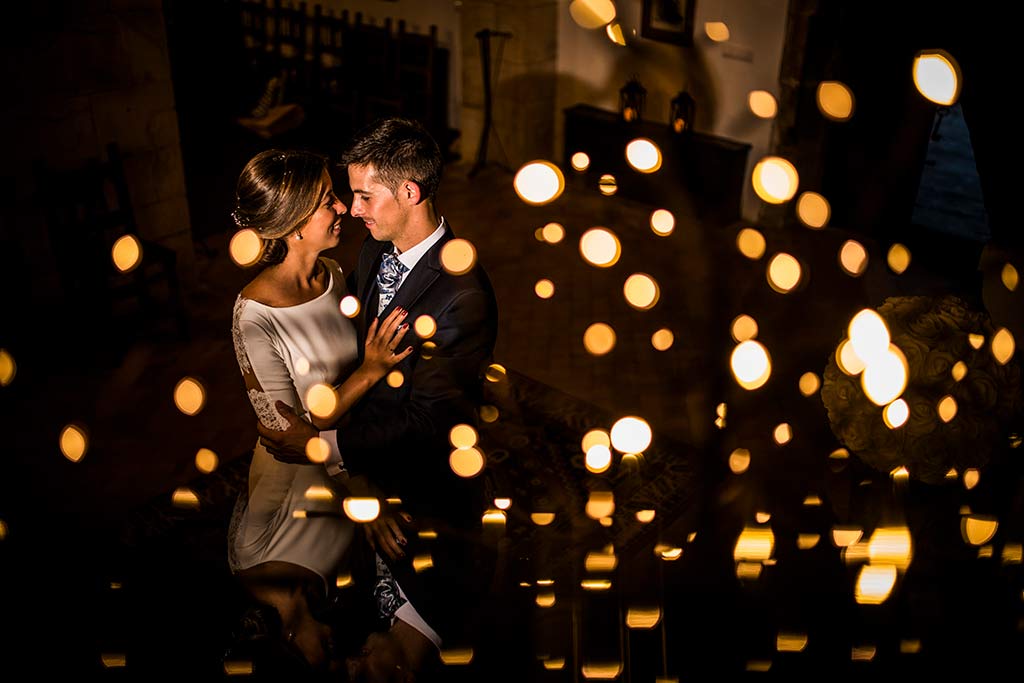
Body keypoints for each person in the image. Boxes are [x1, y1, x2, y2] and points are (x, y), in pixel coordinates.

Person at [256, 117, 500, 681]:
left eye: (364, 195)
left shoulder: (462, 297)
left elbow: (429, 422)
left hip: (426, 489)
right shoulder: (371, 252)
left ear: (409, 193)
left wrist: (325, 446)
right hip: (372, 480)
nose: (352, 208)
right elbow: (359, 368)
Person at [226, 148, 413, 676]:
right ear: (291, 225)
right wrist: (370, 372)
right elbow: (294, 435)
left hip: (319, 474)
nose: (344, 208)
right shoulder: (254, 316)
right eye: (328, 200)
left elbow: (310, 432)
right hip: (311, 481)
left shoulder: (332, 274)